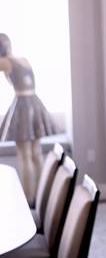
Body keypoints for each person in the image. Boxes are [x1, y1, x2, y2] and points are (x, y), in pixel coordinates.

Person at [0, 33, 60, 202]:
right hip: (35, 103)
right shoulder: (23, 59)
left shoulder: (5, 62)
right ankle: (42, 196)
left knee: (24, 155)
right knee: (36, 153)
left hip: (22, 106)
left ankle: (29, 197)